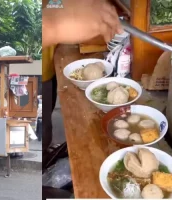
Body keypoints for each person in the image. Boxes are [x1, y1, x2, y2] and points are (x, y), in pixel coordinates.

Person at [42, 0, 123, 153]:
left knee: (47, 116)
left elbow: (50, 3)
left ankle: (45, 150)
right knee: (42, 124)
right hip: (28, 73)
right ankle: (44, 160)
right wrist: (54, 24)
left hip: (47, 66)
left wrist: (60, 5)